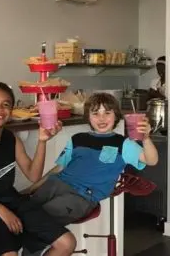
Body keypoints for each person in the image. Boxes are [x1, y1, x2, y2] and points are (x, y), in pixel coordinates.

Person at [0, 81, 76, 256]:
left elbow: (34, 176)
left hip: (13, 201)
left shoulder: (11, 138)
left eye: (6, 105)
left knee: (67, 242)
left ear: (11, 110)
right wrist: (1, 210)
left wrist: (42, 141)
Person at [24, 93, 158, 226]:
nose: (101, 118)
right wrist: (30, 189)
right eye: (95, 113)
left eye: (107, 113)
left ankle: (41, 246)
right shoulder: (77, 139)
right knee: (22, 213)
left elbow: (151, 160)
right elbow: (58, 169)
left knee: (39, 219)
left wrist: (146, 139)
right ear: (88, 117)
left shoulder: (124, 143)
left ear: (116, 116)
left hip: (82, 196)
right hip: (56, 184)